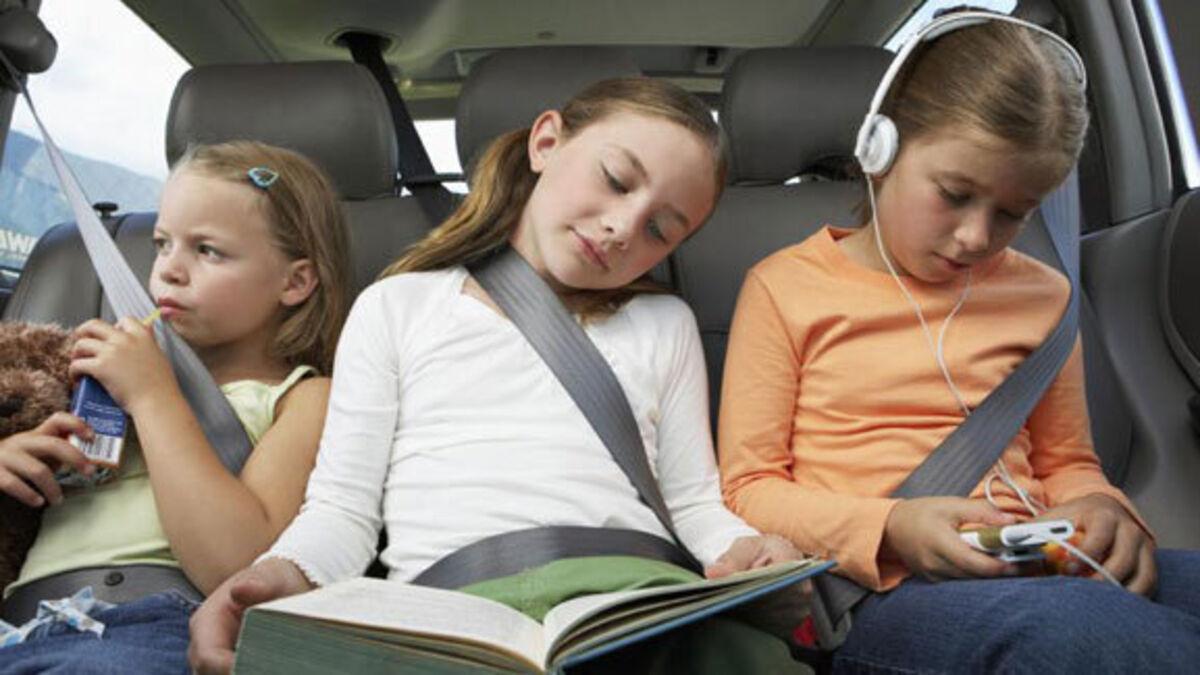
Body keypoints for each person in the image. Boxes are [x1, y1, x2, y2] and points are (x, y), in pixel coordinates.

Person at [188, 77, 811, 674]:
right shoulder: (397, 306)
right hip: (450, 616)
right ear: (547, 142)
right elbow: (343, 511)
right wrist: (278, 573)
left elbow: (695, 504)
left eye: (659, 230)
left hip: (639, 603)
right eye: (616, 181)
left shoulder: (663, 323)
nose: (623, 228)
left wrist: (749, 551)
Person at [718, 12, 1200, 673]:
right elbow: (749, 487)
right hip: (876, 588)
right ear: (880, 149)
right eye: (954, 194)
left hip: (1037, 560)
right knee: (1082, 637)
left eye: (1012, 213)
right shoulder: (784, 287)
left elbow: (1067, 462)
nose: (976, 236)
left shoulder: (1044, 295)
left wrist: (1102, 505)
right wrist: (893, 527)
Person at [0, 141, 350, 672]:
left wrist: (152, 397)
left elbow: (234, 565)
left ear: (295, 281)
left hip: (156, 624)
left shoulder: (304, 398)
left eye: (208, 251)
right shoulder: (98, 374)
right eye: (163, 244)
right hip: (21, 626)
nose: (170, 270)